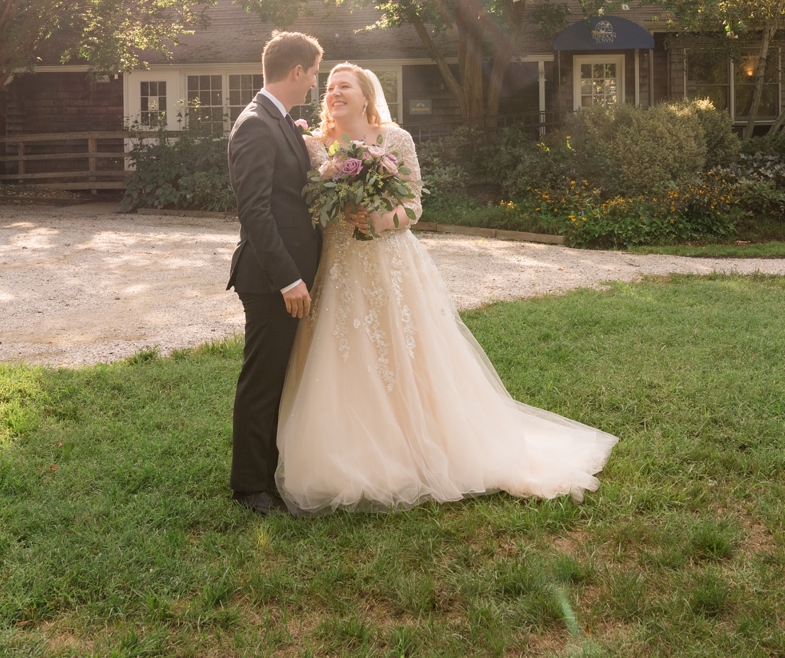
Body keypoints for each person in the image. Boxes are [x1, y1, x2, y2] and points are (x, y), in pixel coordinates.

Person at [275, 63, 618, 515]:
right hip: (338, 264)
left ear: (365, 97)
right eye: (331, 87)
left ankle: (422, 444)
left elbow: (413, 203)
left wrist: (378, 220)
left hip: (390, 263)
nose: (334, 93)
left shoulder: (396, 140)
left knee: (406, 354)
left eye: (345, 86)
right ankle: (352, 453)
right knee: (345, 354)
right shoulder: (313, 146)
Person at [225, 31, 323, 515]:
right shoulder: (255, 125)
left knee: (277, 377)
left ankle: (267, 472)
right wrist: (288, 278)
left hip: (288, 275)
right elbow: (255, 213)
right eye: (312, 74)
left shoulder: (279, 120)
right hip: (268, 280)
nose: (314, 85)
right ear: (295, 72)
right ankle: (250, 487)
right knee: (262, 380)